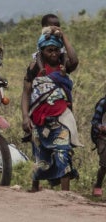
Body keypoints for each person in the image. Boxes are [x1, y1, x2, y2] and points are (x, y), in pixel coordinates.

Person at [21, 25, 80, 191]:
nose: (53, 54)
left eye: (56, 50)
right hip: (39, 120)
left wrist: (63, 36)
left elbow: (74, 60)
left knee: (63, 154)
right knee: (40, 156)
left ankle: (65, 194)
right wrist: (25, 117)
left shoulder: (63, 65)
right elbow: (26, 93)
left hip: (61, 119)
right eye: (49, 50)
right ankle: (35, 188)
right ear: (42, 51)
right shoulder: (34, 68)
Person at [91, 91, 106, 197]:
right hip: (103, 138)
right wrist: (101, 127)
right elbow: (94, 121)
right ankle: (98, 185)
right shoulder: (103, 103)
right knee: (104, 165)